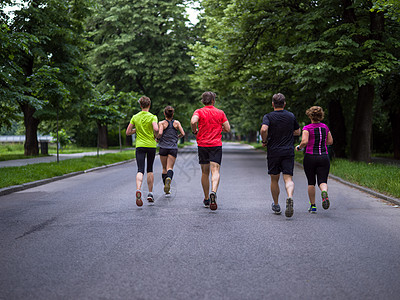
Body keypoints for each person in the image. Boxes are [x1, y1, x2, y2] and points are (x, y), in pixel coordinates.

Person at [260, 93, 300, 217]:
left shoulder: (268, 116)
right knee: (288, 178)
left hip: (274, 152)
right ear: (284, 104)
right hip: (288, 151)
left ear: (272, 104)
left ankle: (276, 205)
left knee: (274, 179)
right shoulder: (291, 116)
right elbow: (298, 131)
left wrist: (264, 141)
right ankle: (289, 196)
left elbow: (264, 129)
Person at [190, 91, 231, 210]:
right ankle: (214, 191)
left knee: (204, 172)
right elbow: (227, 128)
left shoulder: (199, 111)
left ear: (203, 101)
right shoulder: (220, 113)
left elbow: (193, 121)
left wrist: (195, 130)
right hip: (215, 145)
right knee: (215, 170)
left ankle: (207, 197)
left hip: (202, 144)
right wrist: (219, 127)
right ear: (213, 101)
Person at [296, 106, 333, 213]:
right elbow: (330, 141)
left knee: (311, 182)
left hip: (310, 157)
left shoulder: (307, 128)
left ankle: (313, 206)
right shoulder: (325, 127)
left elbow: (304, 142)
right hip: (324, 157)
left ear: (310, 116)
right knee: (322, 180)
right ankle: (324, 192)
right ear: (321, 116)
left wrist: (299, 147)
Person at [126, 96, 159, 206]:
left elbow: (128, 132)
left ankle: (138, 189)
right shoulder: (153, 117)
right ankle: (150, 193)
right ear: (149, 105)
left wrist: (137, 130)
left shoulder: (135, 117)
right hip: (151, 145)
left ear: (140, 105)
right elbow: (156, 129)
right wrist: (156, 135)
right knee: (150, 169)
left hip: (140, 145)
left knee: (140, 169)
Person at [156, 106, 185, 195]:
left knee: (164, 168)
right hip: (173, 148)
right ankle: (169, 179)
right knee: (170, 168)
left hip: (163, 147)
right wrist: (177, 137)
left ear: (164, 114)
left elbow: (160, 133)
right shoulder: (176, 123)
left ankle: (166, 186)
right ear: (172, 114)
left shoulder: (161, 123)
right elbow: (183, 133)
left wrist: (157, 138)